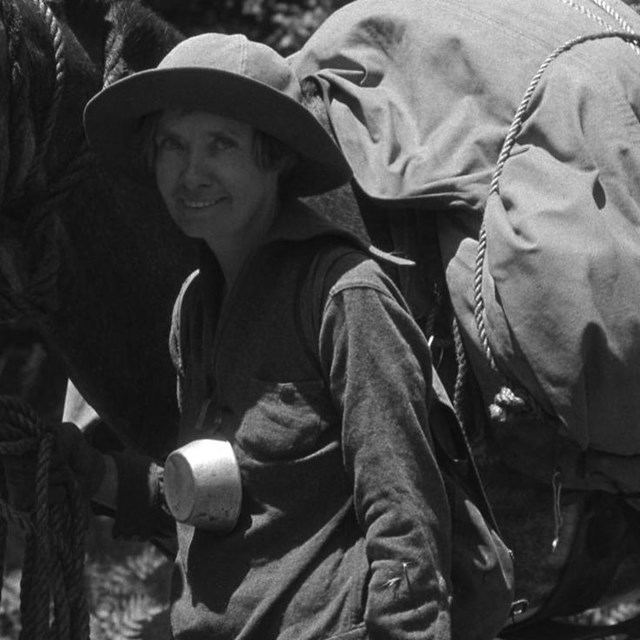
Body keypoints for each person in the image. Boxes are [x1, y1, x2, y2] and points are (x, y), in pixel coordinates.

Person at [38, 33, 453, 639]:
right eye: (172, 145)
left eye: (222, 144)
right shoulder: (195, 307)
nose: (191, 172)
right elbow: (227, 498)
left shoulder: (344, 295)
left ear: (276, 157)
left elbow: (407, 523)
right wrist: (96, 476)